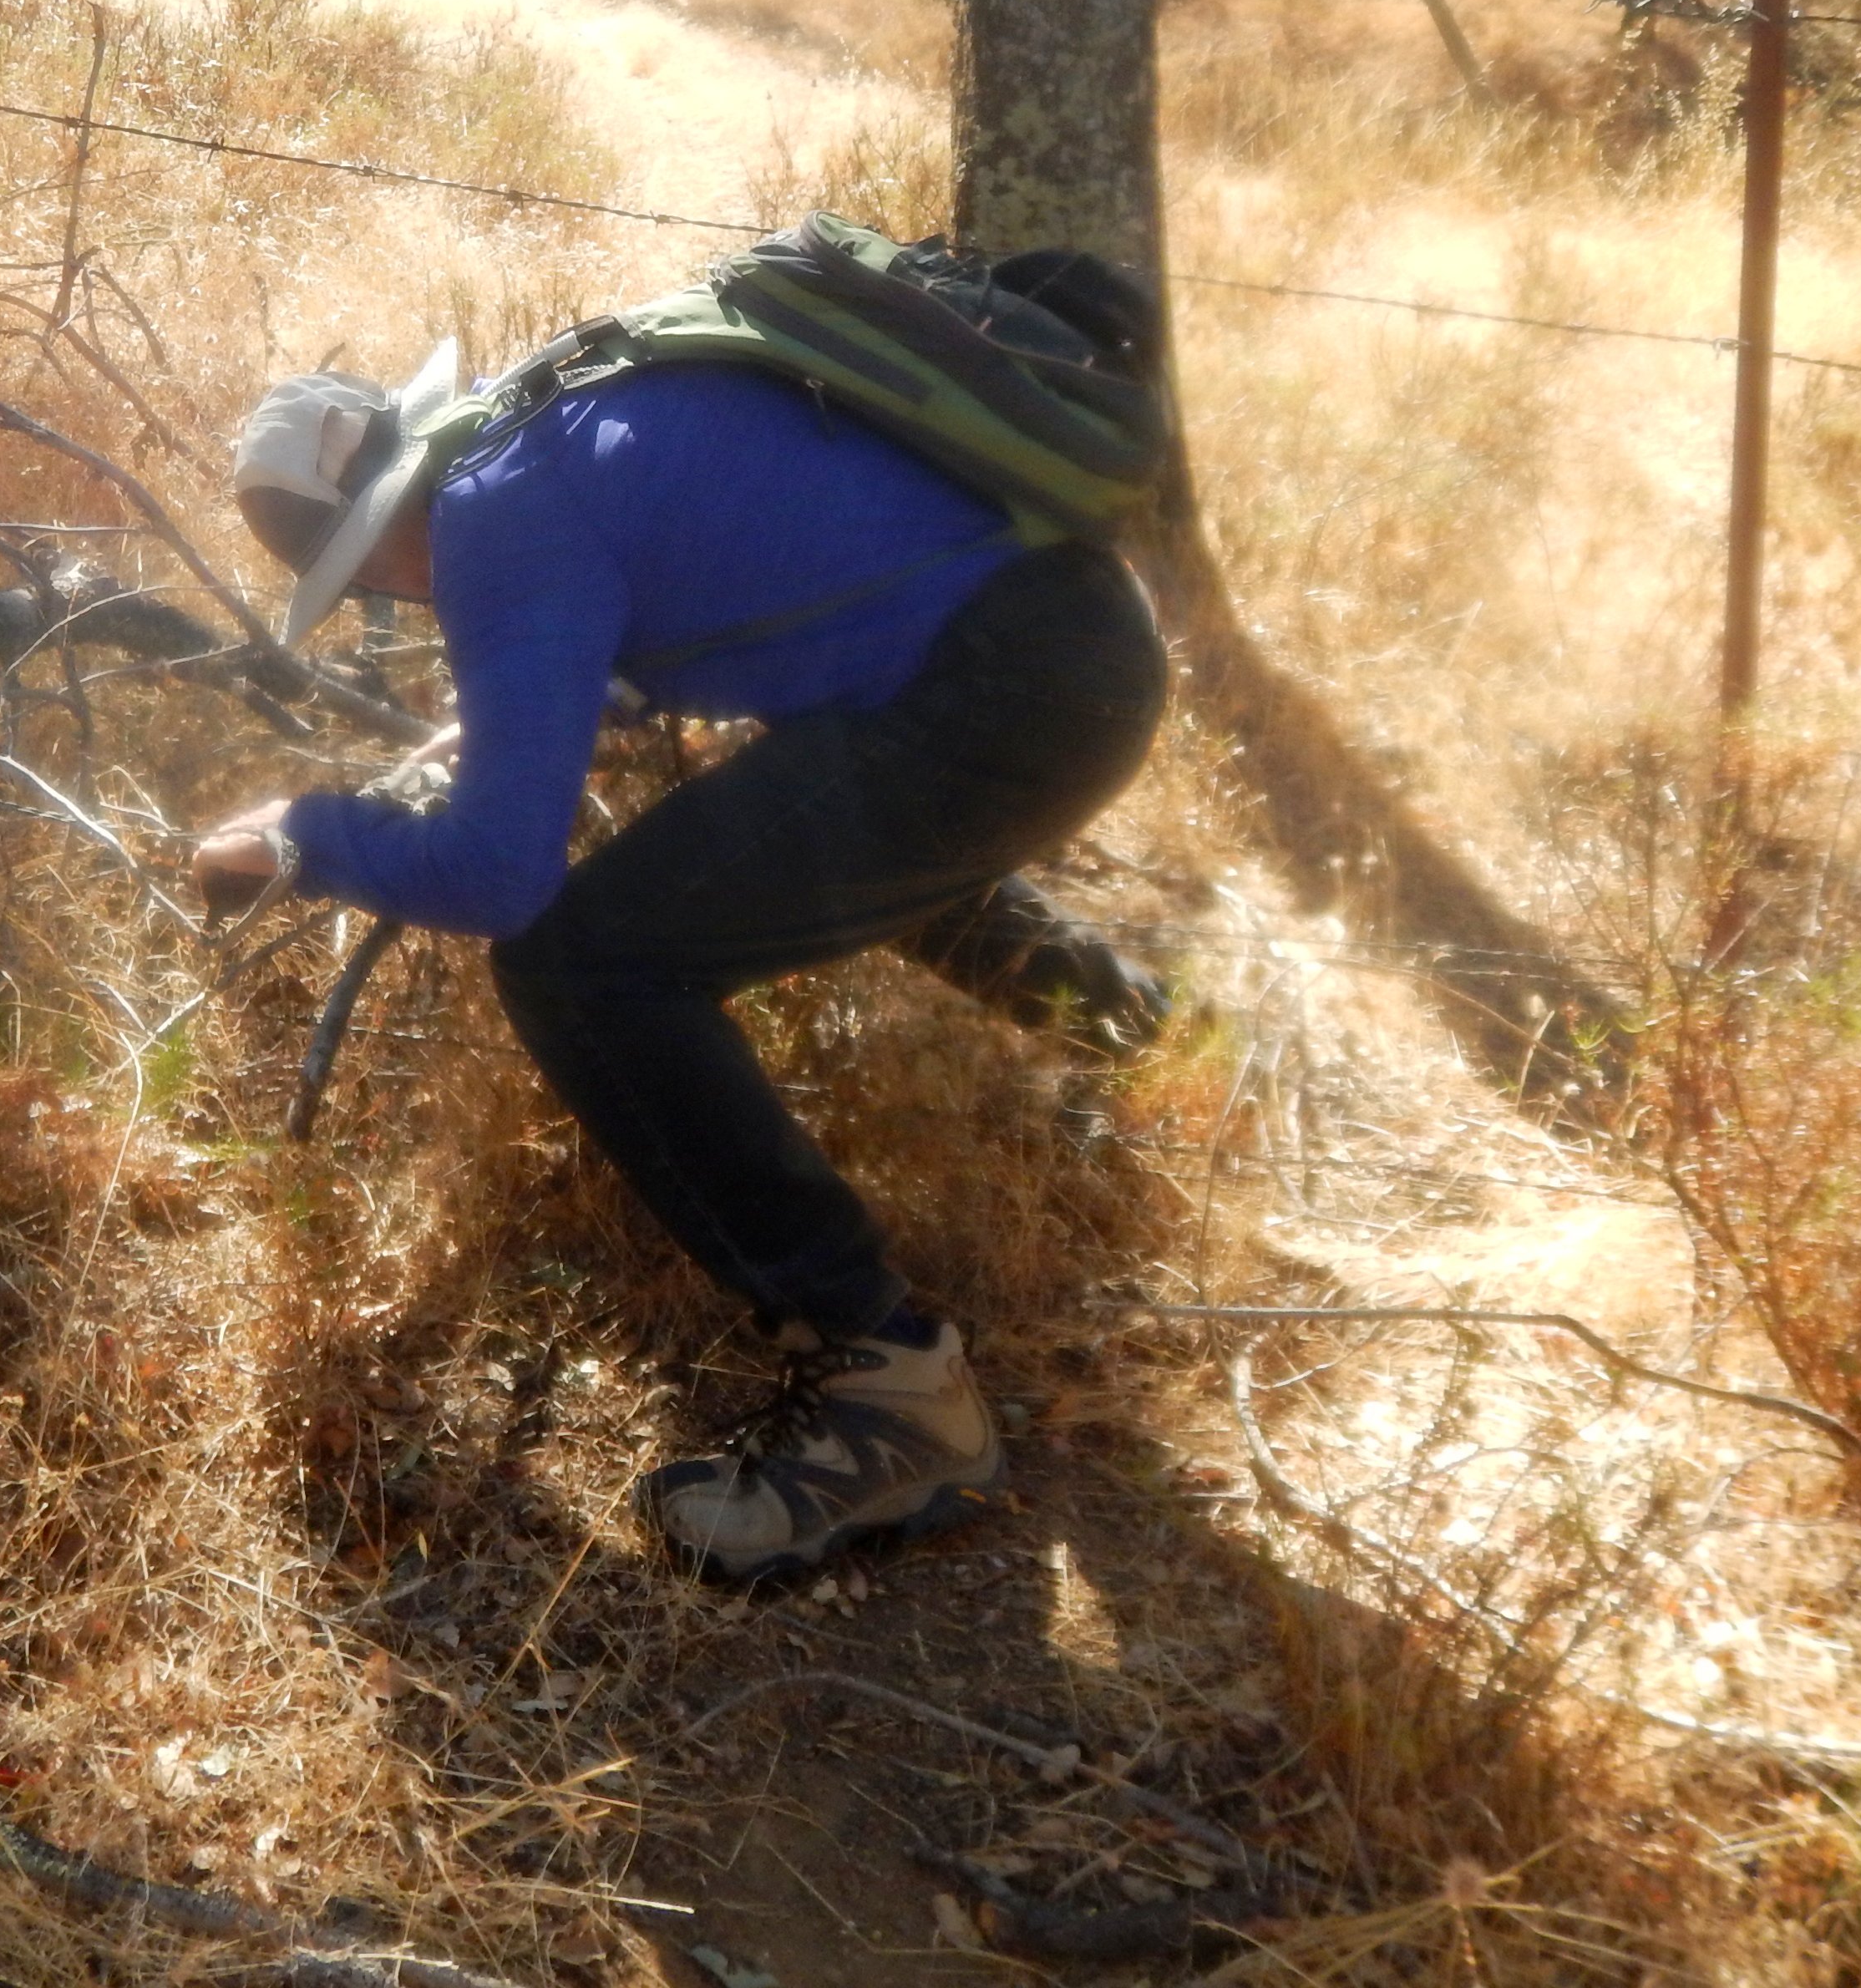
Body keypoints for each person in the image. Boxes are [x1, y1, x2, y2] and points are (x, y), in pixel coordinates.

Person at [195, 328, 1170, 1585]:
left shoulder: (493, 521)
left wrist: (303, 834)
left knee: (583, 966)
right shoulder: (558, 420)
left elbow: (499, 877)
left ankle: (892, 1399)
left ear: (385, 515)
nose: (395, 594)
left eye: (369, 569)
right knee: (818, 836)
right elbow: (738, 557)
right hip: (1077, 641)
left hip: (1008, 702)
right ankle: (1149, 1037)